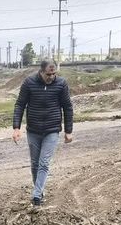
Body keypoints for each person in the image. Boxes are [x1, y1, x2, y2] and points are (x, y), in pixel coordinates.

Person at [12, 59, 74, 206]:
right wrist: (16, 128)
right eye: (48, 74)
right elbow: (20, 104)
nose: (51, 77)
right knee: (35, 164)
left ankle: (36, 195)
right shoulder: (29, 83)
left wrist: (68, 131)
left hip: (52, 130)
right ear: (41, 71)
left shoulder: (61, 84)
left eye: (54, 74)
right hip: (33, 130)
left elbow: (67, 107)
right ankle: (39, 190)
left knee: (44, 163)